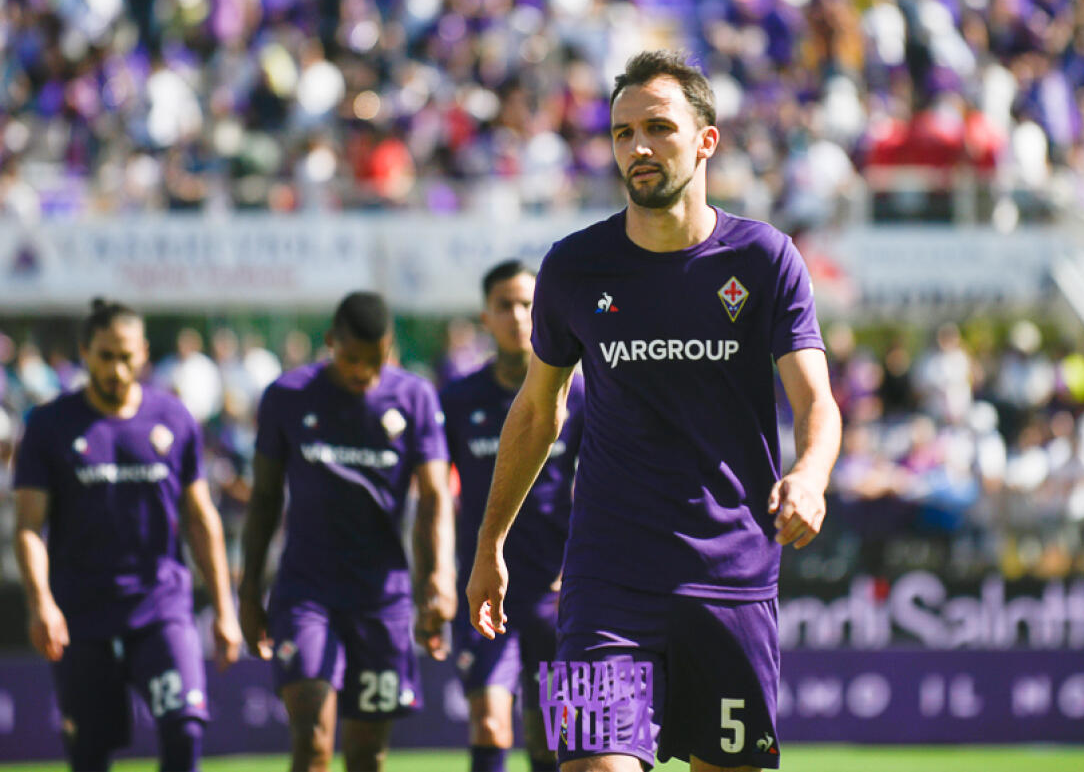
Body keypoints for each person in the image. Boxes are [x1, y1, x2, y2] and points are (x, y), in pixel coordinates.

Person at [466, 50, 842, 771]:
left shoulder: (765, 260)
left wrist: (812, 474)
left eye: (659, 128)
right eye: (622, 133)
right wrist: (491, 543)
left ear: (706, 139)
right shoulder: (573, 267)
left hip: (731, 576)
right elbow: (537, 411)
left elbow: (815, 399)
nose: (637, 147)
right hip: (606, 579)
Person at [12, 299, 242, 772]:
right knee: (91, 755)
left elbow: (200, 518)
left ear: (143, 355)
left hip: (162, 607)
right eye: (105, 356)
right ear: (84, 352)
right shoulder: (49, 426)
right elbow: (29, 527)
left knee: (184, 730)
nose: (117, 369)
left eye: (127, 356)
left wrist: (225, 607)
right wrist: (41, 603)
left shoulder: (174, 420)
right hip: (82, 613)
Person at [237, 291, 456, 772]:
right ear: (331, 341)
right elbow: (265, 497)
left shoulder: (414, 397)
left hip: (383, 599)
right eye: (353, 359)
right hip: (305, 594)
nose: (363, 373)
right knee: (313, 739)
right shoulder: (288, 397)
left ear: (391, 348)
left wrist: (437, 577)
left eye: (375, 362)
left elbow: (435, 496)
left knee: (365, 753)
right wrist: (250, 590)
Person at [440, 260, 585, 772]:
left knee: (550, 739)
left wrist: (579, 571)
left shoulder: (579, 395)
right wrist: (438, 577)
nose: (518, 316)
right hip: (483, 588)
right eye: (505, 305)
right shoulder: (457, 400)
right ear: (486, 317)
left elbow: (597, 488)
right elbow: (437, 498)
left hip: (552, 591)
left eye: (528, 304)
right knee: (489, 723)